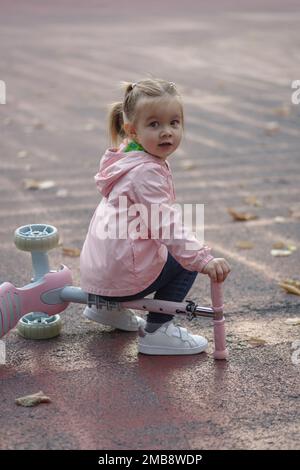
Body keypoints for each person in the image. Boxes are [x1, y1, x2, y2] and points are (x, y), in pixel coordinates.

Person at [80, 78, 231, 355]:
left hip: (100, 277)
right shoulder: (146, 172)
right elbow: (166, 225)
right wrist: (201, 258)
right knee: (185, 259)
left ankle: (108, 309)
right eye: (154, 124)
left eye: (174, 123)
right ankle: (158, 330)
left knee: (147, 241)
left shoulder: (126, 156)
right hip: (122, 276)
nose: (166, 133)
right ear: (133, 130)